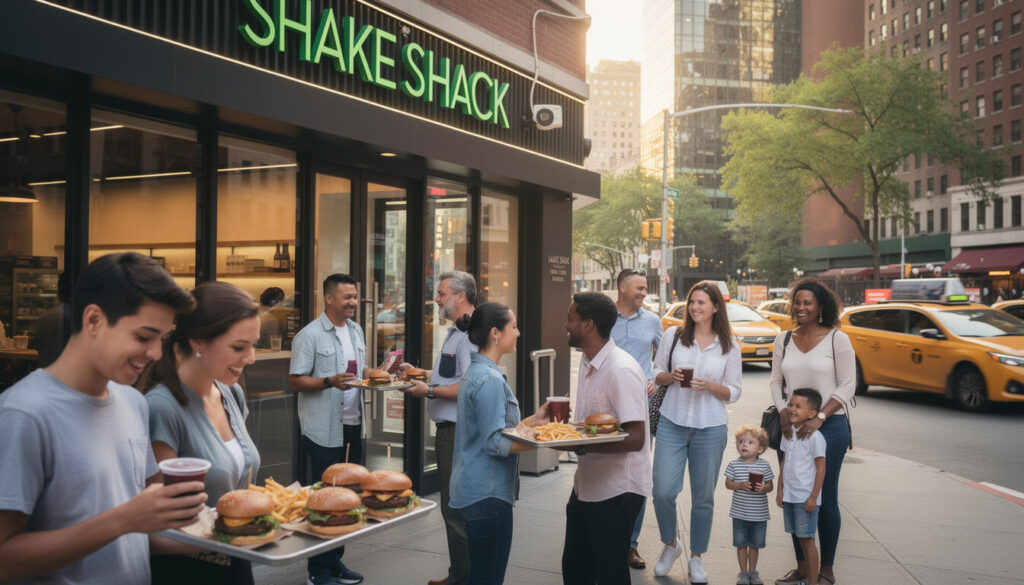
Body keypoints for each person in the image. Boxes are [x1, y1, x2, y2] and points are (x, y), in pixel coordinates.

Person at [0, 252, 206, 584]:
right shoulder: (23, 414)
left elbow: (139, 533)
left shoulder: (132, 402)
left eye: (163, 340)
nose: (155, 353)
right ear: (93, 320)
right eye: (143, 337)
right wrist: (124, 519)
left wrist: (239, 535)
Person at [137, 281, 263, 584]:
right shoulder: (162, 408)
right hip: (188, 571)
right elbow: (160, 523)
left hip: (239, 562)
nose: (251, 358)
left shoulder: (231, 394)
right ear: (198, 342)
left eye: (253, 345)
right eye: (238, 347)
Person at [651, 281, 742, 583]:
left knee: (703, 497)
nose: (695, 307)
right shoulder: (673, 336)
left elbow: (735, 391)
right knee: (663, 491)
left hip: (710, 428)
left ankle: (697, 558)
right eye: (692, 302)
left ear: (716, 307)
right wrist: (671, 377)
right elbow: (656, 373)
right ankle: (671, 545)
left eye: (702, 303)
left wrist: (711, 386)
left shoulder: (729, 346)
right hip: (672, 422)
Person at [561, 292, 651, 585]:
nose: (566, 324)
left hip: (617, 492)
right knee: (575, 569)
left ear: (588, 325)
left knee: (610, 573)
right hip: (587, 484)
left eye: (571, 319)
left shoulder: (620, 369)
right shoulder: (588, 363)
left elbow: (636, 438)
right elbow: (593, 427)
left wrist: (579, 443)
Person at [769, 278, 854, 585]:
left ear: (820, 307)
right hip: (791, 428)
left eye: (808, 303)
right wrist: (782, 410)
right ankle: (803, 568)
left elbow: (847, 384)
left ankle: (826, 570)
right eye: (797, 302)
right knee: (793, 495)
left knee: (825, 498)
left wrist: (818, 417)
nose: (800, 307)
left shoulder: (836, 339)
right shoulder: (784, 339)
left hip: (829, 427)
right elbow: (776, 382)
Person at [449, 302, 538, 585]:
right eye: (513, 327)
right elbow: (495, 442)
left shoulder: (479, 373)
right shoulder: (488, 379)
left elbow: (495, 430)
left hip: (475, 491)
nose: (519, 332)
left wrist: (536, 421)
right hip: (487, 495)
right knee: (488, 579)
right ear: (495, 333)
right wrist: (542, 442)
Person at [290, 274, 369, 585]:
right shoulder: (309, 336)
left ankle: (335, 562)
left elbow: (357, 370)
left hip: (353, 425)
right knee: (323, 500)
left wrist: (373, 373)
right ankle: (318, 571)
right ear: (329, 298)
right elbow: (296, 380)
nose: (353, 302)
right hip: (323, 431)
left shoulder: (355, 330)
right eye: (347, 297)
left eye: (355, 296)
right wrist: (328, 382)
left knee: (346, 498)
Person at [399, 271, 477, 585]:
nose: (437, 298)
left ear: (461, 296)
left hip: (456, 433)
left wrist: (428, 391)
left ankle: (462, 578)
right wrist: (422, 373)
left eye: (443, 293)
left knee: (455, 510)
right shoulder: (456, 331)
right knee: (453, 507)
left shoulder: (470, 333)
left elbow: (470, 385)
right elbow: (451, 374)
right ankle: (460, 574)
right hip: (448, 431)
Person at [610, 268, 663, 570]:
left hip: (641, 407)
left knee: (638, 476)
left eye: (645, 288)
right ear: (622, 288)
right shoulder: (605, 317)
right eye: (639, 288)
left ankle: (630, 544)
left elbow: (665, 355)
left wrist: (655, 377)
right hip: (608, 407)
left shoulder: (653, 320)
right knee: (606, 471)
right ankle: (605, 538)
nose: (644, 293)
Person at [776, 389, 827, 585]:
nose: (792, 409)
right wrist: (780, 489)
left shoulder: (815, 437)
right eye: (790, 404)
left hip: (805, 496)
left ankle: (812, 582)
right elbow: (784, 461)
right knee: (799, 537)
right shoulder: (789, 432)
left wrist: (814, 496)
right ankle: (806, 578)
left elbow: (821, 467)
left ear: (812, 413)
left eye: (798, 406)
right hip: (790, 495)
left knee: (807, 540)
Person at [724, 425, 775, 585]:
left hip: (759, 515)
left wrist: (763, 488)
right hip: (739, 513)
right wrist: (739, 485)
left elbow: (770, 486)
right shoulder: (734, 464)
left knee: (754, 545)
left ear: (760, 449)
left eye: (750, 442)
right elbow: (728, 483)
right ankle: (743, 573)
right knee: (741, 544)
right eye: (741, 441)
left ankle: (753, 571)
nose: (744, 445)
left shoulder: (764, 465)